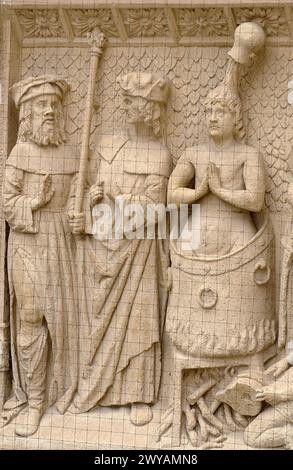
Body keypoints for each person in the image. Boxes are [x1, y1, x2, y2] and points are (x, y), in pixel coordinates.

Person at [68, 72, 172, 426]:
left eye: (132, 101)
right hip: (101, 246)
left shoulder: (160, 155)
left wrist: (117, 199)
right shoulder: (109, 145)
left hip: (139, 251)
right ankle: (95, 385)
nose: (125, 106)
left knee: (139, 320)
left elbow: (156, 209)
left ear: (150, 108)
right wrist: (91, 199)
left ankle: (138, 395)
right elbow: (93, 190)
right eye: (125, 99)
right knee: (96, 321)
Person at [3, 76, 79, 436]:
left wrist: (85, 207)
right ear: (28, 116)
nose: (50, 110)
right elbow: (5, 202)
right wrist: (34, 203)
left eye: (54, 105)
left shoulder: (70, 153)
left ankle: (62, 391)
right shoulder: (20, 154)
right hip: (28, 240)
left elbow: (81, 201)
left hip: (63, 243)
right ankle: (33, 402)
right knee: (32, 315)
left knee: (62, 320)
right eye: (41, 105)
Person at [168, 61, 265, 257]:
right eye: (208, 112)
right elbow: (171, 194)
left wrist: (220, 190)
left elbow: (255, 201)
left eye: (220, 112)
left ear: (235, 117)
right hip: (196, 234)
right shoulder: (193, 153)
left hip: (237, 236)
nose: (212, 118)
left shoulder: (248, 155)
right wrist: (199, 191)